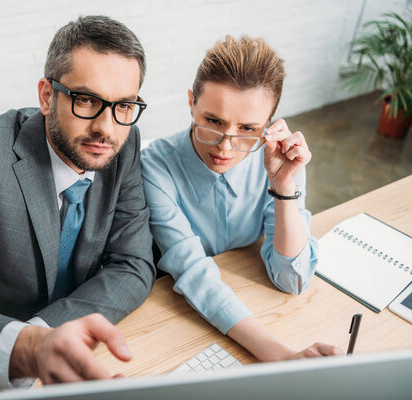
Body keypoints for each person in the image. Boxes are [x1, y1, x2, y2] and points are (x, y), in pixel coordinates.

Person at [0, 15, 155, 396]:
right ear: (47, 96)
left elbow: (133, 266)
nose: (107, 127)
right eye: (87, 100)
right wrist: (21, 349)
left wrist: (41, 333)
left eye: (124, 105)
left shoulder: (124, 142)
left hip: (63, 356)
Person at [140, 35, 343, 362]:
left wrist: (284, 186)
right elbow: (193, 272)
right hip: (180, 315)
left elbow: (292, 279)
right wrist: (281, 355)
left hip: (251, 303)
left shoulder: (279, 160)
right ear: (192, 103)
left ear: (270, 125)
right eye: (213, 121)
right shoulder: (154, 167)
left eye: (248, 129)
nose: (224, 147)